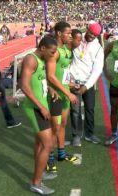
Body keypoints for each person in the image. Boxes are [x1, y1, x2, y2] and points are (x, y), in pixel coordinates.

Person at [21, 36, 58, 195]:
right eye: (51, 52)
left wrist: (49, 88)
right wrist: (41, 107)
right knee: (47, 145)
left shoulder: (41, 59)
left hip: (41, 105)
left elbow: (39, 80)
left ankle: (39, 173)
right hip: (35, 108)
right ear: (42, 48)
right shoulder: (31, 59)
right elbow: (24, 86)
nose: (53, 55)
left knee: (39, 143)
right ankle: (36, 183)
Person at [45, 22, 79, 173]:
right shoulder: (54, 51)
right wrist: (67, 93)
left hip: (64, 91)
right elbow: (50, 76)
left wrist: (69, 83)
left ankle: (61, 154)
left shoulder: (66, 49)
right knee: (54, 128)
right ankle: (49, 159)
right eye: (67, 33)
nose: (70, 36)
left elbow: (62, 71)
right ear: (59, 33)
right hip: (57, 94)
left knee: (63, 123)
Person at [69, 22, 104, 146]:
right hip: (73, 82)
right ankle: (76, 135)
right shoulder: (77, 38)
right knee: (75, 110)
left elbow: (97, 69)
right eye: (90, 33)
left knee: (90, 109)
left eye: (95, 35)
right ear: (87, 29)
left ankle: (90, 134)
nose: (91, 36)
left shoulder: (98, 48)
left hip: (87, 84)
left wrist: (86, 86)